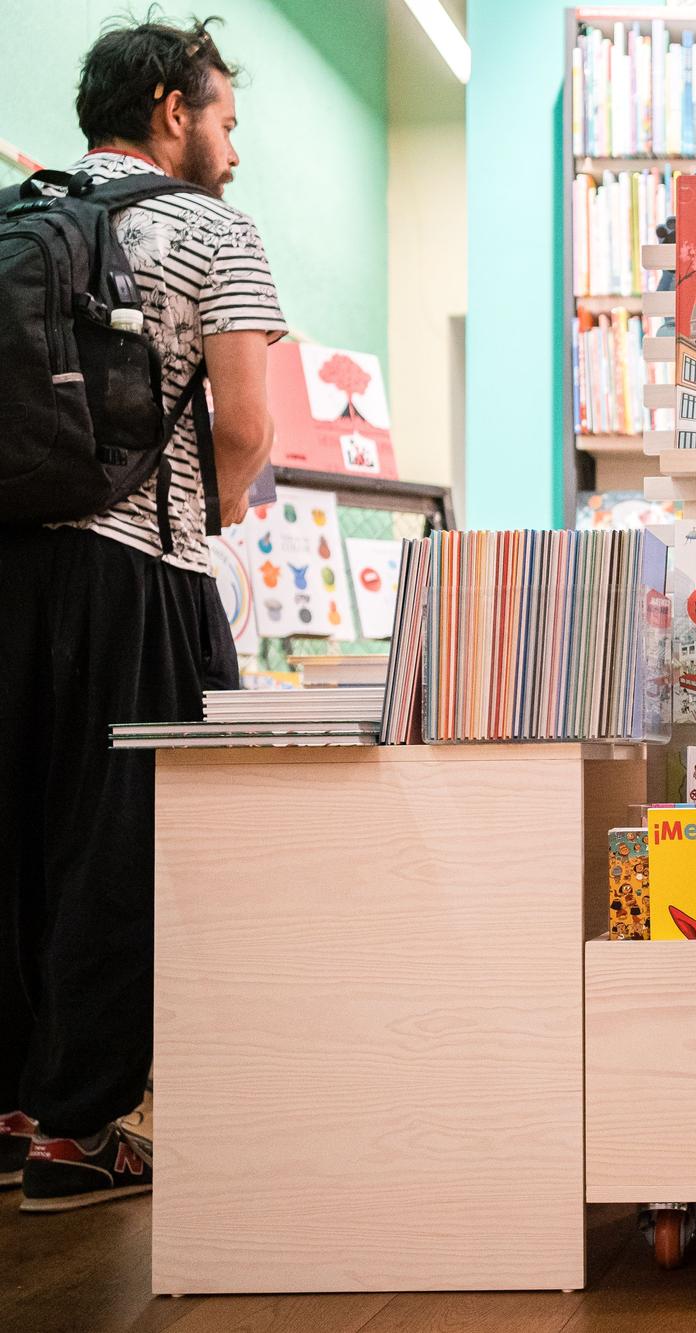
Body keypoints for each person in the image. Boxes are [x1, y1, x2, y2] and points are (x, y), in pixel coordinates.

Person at [0, 15, 286, 1212]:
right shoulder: (213, 227)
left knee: (20, 836)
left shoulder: (23, 217)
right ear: (175, 110)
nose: (232, 145)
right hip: (141, 572)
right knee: (140, 846)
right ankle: (80, 1134)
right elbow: (245, 424)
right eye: (225, 118)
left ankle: (14, 1107)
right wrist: (205, 518)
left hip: (14, 569)